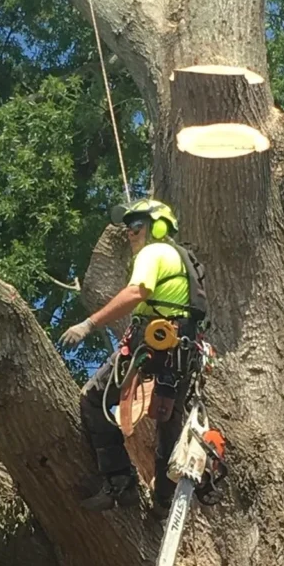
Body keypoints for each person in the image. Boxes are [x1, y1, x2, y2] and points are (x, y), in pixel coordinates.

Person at [62, 199, 205, 513]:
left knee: (93, 398)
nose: (129, 231)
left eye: (136, 224)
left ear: (158, 226)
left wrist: (89, 324)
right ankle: (164, 501)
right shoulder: (184, 260)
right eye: (127, 226)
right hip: (179, 352)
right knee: (168, 420)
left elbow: (136, 292)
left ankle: (120, 480)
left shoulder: (154, 252)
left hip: (152, 345)